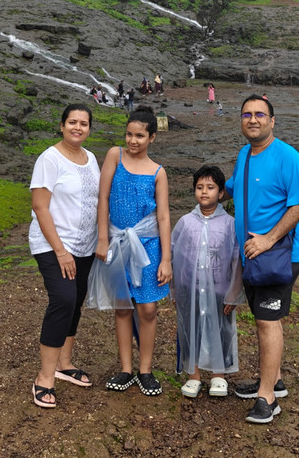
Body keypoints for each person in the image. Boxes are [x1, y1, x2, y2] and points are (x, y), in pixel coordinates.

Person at [226, 95, 299, 425]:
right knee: (265, 319)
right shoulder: (245, 155)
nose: (253, 119)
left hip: (279, 255)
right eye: (247, 114)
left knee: (266, 320)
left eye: (260, 114)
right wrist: (208, 191)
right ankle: (272, 379)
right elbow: (234, 187)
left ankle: (267, 398)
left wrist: (268, 239)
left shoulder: (287, 156)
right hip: (253, 256)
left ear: (272, 121)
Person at [95, 106, 172, 396]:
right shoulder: (115, 155)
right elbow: (103, 197)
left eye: (140, 136)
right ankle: (126, 369)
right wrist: (102, 238)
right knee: (122, 306)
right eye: (129, 134)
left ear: (152, 137)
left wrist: (166, 258)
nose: (133, 141)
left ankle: (146, 370)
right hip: (117, 243)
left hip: (149, 246)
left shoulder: (158, 172)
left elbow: (163, 216)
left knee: (148, 308)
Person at [28, 103, 101, 410]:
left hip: (85, 245)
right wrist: (60, 250)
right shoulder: (49, 158)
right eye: (72, 122)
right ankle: (44, 378)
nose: (77, 128)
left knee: (76, 301)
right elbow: (40, 207)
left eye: (83, 124)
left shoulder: (91, 158)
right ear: (62, 125)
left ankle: (64, 363)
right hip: (54, 245)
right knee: (63, 300)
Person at [171, 165, 244, 399]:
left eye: (210, 187)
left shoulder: (231, 224)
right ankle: (193, 376)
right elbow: (175, 255)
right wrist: (175, 291)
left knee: (221, 329)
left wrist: (234, 293)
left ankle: (218, 375)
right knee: (189, 328)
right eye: (200, 187)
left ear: (221, 193)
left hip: (219, 289)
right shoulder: (185, 222)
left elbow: (236, 259)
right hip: (189, 288)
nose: (205, 192)